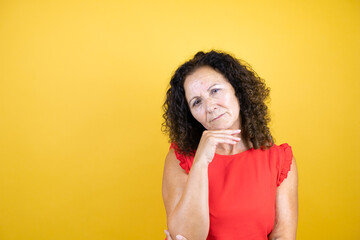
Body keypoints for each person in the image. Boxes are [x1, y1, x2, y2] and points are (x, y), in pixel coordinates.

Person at [161, 50, 298, 240]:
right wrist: (200, 162)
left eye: (215, 90)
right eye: (197, 102)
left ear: (237, 90)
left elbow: (283, 235)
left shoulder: (279, 160)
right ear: (190, 114)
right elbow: (185, 236)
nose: (210, 106)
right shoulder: (181, 158)